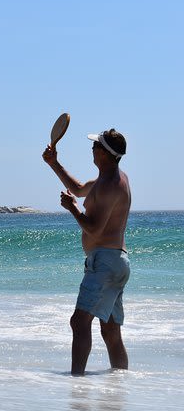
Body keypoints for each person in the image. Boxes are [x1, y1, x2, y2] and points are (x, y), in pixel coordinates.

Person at [43, 129, 131, 375]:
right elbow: (80, 188)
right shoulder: (112, 178)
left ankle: (76, 384)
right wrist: (54, 163)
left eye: (95, 146)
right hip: (117, 262)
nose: (91, 149)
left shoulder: (109, 185)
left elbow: (93, 228)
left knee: (79, 322)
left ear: (104, 152)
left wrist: (72, 208)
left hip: (104, 262)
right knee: (110, 330)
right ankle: (121, 385)